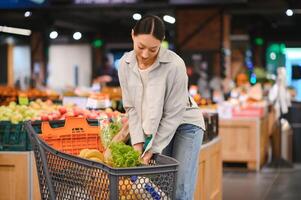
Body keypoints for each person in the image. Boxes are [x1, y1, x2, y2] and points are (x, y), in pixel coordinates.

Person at [118, 15, 205, 200]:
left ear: (162, 42)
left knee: (180, 187)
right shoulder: (125, 64)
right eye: (140, 47)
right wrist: (138, 145)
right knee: (159, 187)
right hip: (156, 124)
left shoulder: (174, 65)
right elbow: (132, 109)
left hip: (185, 123)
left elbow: (173, 114)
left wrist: (152, 149)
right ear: (133, 35)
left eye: (153, 49)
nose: (145, 54)